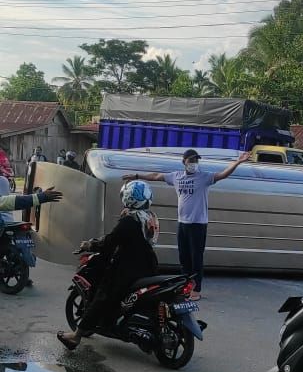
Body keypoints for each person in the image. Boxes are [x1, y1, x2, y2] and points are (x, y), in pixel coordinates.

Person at [124, 148, 251, 301]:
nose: (194, 163)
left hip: (198, 225)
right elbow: (157, 176)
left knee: (196, 258)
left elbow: (223, 174)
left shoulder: (204, 177)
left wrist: (238, 161)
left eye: (196, 160)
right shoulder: (176, 177)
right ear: (184, 162)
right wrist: (137, 176)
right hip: (182, 223)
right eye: (191, 160)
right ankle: (186, 287)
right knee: (184, 258)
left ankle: (196, 290)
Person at [57, 180, 159, 351]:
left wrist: (90, 245)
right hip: (148, 264)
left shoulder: (129, 221)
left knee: (103, 295)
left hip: (128, 267)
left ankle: (76, 336)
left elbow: (111, 242)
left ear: (129, 198)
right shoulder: (150, 217)